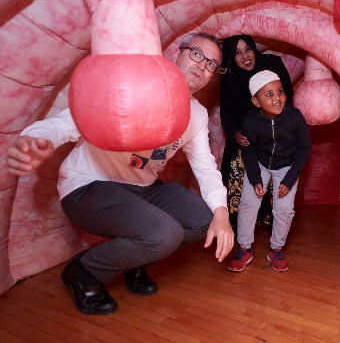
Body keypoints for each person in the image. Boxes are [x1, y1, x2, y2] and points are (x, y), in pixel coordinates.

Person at [6, 32, 234, 315]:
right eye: (197, 54)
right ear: (178, 52)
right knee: (165, 234)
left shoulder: (196, 115)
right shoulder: (133, 86)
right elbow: (67, 122)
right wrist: (37, 140)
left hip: (143, 190)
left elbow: (205, 168)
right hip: (89, 186)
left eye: (212, 64)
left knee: (206, 219)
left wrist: (222, 214)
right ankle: (84, 271)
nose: (202, 66)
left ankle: (135, 257)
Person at [227, 70, 311, 272]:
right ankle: (244, 248)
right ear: (256, 102)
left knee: (283, 209)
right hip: (260, 164)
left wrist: (289, 180)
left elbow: (304, 149)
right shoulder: (250, 122)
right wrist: (255, 179)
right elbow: (249, 150)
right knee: (248, 203)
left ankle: (276, 248)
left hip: (287, 167)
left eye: (280, 92)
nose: (277, 98)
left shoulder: (295, 118)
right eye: (269, 94)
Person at [219, 35, 294, 235]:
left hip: (274, 135)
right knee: (241, 179)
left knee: (276, 179)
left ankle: (271, 222)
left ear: (254, 49)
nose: (245, 55)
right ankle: (238, 228)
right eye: (237, 52)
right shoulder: (230, 77)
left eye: (248, 49)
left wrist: (281, 129)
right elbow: (227, 113)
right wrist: (235, 134)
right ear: (230, 57)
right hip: (245, 139)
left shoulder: (272, 64)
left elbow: (288, 98)